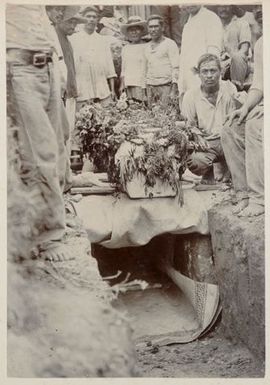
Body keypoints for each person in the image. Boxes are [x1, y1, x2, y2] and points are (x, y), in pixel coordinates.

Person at [6, 4, 73, 261]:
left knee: (57, 147)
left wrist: (58, 69)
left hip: (47, 64)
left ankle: (53, 220)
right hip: (19, 67)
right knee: (38, 154)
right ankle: (48, 237)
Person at [182, 54, 243, 185]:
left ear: (220, 72)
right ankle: (208, 172)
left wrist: (224, 131)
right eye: (205, 71)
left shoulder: (229, 89)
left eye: (213, 70)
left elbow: (236, 119)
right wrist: (197, 134)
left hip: (228, 139)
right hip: (207, 143)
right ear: (198, 73)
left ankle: (229, 169)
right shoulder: (190, 95)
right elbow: (188, 124)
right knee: (196, 162)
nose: (209, 75)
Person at [221, 35, 263, 217]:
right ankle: (243, 194)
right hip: (262, 106)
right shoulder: (263, 43)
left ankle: (260, 198)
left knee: (254, 126)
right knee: (231, 126)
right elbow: (259, 85)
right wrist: (245, 107)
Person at [70, 6, 116, 110]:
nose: (91, 19)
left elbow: (109, 66)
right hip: (82, 89)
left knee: (106, 120)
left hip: (102, 89)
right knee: (83, 121)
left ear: (98, 19)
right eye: (88, 16)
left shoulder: (102, 40)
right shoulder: (73, 39)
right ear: (83, 19)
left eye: (94, 17)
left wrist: (112, 90)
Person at [178, 5, 223, 102]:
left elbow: (214, 48)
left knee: (205, 104)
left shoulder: (211, 18)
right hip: (188, 75)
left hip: (204, 74)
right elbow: (184, 55)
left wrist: (207, 72)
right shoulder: (187, 24)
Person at [55, 6, 87, 140]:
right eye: (70, 22)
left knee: (68, 133)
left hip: (70, 93)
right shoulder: (54, 40)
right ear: (59, 21)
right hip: (60, 95)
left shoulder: (68, 40)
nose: (73, 26)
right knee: (60, 134)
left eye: (75, 22)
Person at [144, 14, 179, 108]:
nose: (153, 29)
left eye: (156, 26)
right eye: (150, 27)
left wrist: (174, 89)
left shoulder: (170, 44)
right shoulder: (146, 47)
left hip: (166, 86)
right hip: (150, 87)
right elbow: (145, 69)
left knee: (166, 116)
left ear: (162, 28)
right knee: (152, 117)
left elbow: (176, 67)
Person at [217, 5, 252, 90]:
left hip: (238, 63)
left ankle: (237, 90)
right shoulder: (215, 25)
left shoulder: (242, 23)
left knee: (237, 57)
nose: (223, 9)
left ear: (232, 7)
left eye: (226, 6)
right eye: (220, 6)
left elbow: (244, 49)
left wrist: (231, 58)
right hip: (219, 63)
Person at [120, 16, 147, 103]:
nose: (134, 32)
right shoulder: (125, 48)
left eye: (137, 29)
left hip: (142, 86)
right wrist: (122, 85)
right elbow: (123, 70)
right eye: (131, 30)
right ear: (128, 33)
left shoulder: (147, 46)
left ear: (141, 31)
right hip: (128, 85)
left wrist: (146, 87)